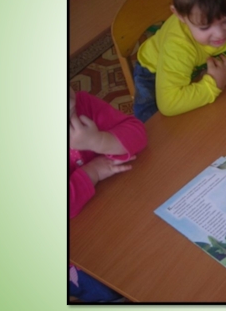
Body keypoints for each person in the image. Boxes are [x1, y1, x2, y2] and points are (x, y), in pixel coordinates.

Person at [132, 0, 226, 121]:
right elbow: (168, 104)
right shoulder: (178, 45)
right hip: (153, 72)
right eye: (204, 27)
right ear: (179, 15)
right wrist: (214, 83)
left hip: (198, 65)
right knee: (154, 127)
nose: (220, 35)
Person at [68, 87, 148, 302]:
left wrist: (99, 141)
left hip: (110, 213)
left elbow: (137, 132)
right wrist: (92, 172)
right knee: (110, 285)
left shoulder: (83, 104)